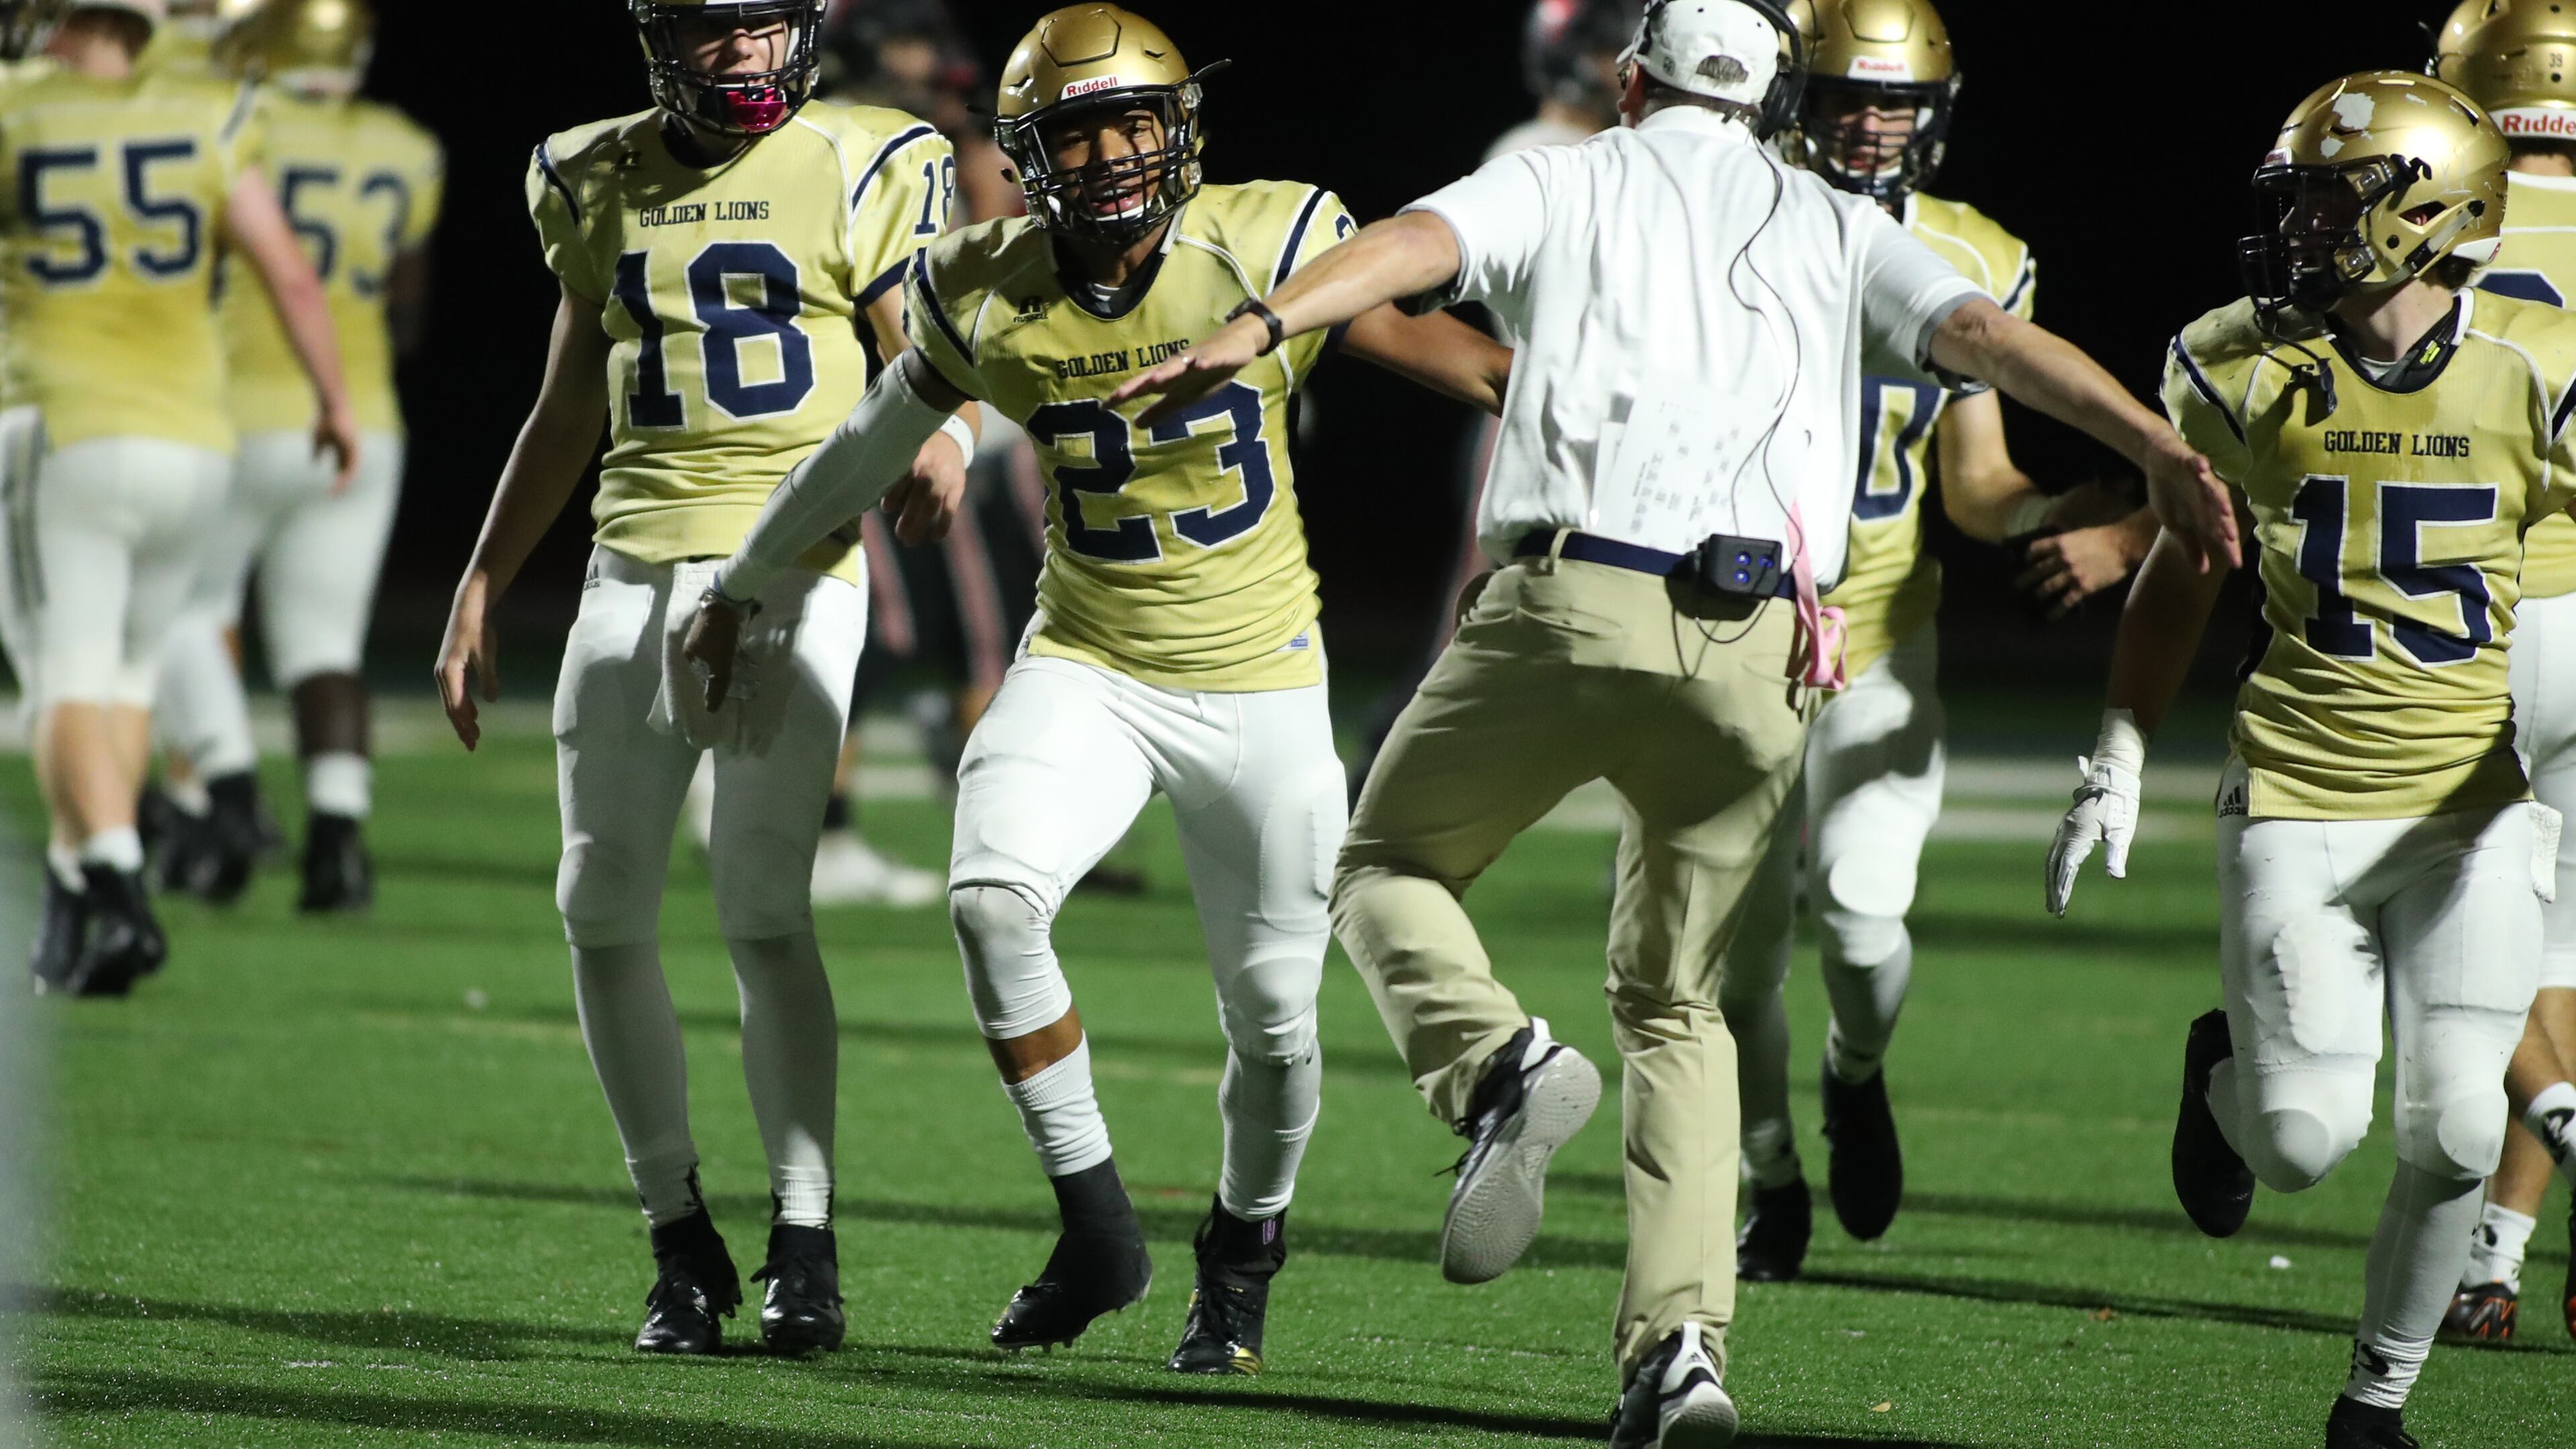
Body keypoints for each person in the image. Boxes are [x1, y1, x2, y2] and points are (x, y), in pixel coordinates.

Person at [1115, 2, 2234, 1441]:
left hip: (1573, 603)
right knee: (1679, 1004)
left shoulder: (1566, 169)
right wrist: (2152, 444)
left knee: (1383, 869)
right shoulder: (1837, 220)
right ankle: (1679, 1351)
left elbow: (1411, 250)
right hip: (1764, 650)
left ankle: (1501, 1066)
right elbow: (1983, 335)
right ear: (1776, 103)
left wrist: (1262, 324)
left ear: (1632, 79)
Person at [681, 1, 1513, 1379]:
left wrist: (1549, 516)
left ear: (1183, 130)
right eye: (1083, 130)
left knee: (1278, 1029)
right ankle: (1098, 1225)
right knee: (993, 898)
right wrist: (744, 582)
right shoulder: (983, 283)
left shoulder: (1270, 242)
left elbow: (1478, 364)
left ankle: (1242, 1254)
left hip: (1262, 686)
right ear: (1030, 152)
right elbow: (864, 444)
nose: (1118, 153)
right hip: (1089, 660)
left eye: (1138, 119)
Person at [432, 0, 963, 1357]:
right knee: (598, 903)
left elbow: (920, 355)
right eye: (709, 28)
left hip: (788, 562)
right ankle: (677, 1236)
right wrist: (484, 576)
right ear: (661, 37)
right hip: (629, 562)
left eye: (760, 24)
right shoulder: (589, 172)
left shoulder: (865, 158)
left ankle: (805, 1238)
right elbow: (569, 401)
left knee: (760, 907)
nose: (738, 53)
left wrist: (942, 439)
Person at [2048, 70, 2567, 1449]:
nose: (2306, 226)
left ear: (2437, 208)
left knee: (2459, 1128)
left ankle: (2375, 1405)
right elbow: (2184, 564)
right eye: (2306, 197)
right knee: (2299, 1143)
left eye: (2339, 198)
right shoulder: (2238, 359)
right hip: (2295, 790)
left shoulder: (2537, 365)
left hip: (2472, 807)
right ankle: (2225, 1072)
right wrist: (2118, 746)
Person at [1722, 0, 2159, 1282]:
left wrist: (2054, 510)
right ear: (1794, 96)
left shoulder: (1978, 251)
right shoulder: (1725, 215)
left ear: (1936, 113)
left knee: (1860, 917)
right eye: (1851, 96)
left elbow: (1972, 485)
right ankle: (1768, 1181)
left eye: (1897, 102)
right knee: (1733, 958)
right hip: (1720, 633)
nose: (1873, 123)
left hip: (1871, 635)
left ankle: (1856, 1075)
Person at [0, 0, 355, 998]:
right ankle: (80, 901)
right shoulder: (203, 112)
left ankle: (111, 881)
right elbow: (287, 273)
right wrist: (335, 400)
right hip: (197, 439)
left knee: (60, 671)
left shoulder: (14, 105)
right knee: (128, 676)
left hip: (60, 424)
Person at [146, 0, 439, 913]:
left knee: (178, 612)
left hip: (230, 407)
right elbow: (409, 312)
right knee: (326, 645)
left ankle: (230, 792)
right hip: (359, 418)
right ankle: (338, 841)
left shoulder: (227, 122)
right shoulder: (406, 146)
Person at [2430, 0, 2576, 1347]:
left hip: (2474, 613)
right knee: (2569, 954)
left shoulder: (2430, 211)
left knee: (2441, 943)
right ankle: (2501, 1255)